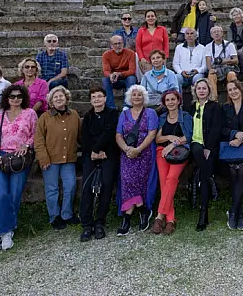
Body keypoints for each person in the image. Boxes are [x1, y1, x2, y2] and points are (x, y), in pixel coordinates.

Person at [0, 85, 37, 253]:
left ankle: (0, 234)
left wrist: (26, 144)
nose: (15, 99)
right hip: (1, 157)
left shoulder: (30, 113)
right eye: (12, 96)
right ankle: (2, 232)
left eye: (18, 96)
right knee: (0, 193)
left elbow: (35, 134)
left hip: (20, 158)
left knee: (15, 193)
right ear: (6, 98)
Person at [35, 86, 82, 230]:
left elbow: (80, 135)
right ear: (51, 101)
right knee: (52, 188)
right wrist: (43, 158)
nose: (58, 99)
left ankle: (67, 214)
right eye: (55, 97)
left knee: (70, 185)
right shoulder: (45, 117)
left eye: (61, 96)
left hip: (68, 158)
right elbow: (38, 140)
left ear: (66, 98)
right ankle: (54, 216)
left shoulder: (74, 115)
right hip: (50, 159)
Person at [115, 85, 159, 236]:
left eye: (139, 94)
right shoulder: (124, 114)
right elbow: (118, 135)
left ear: (144, 97)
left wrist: (138, 150)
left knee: (141, 182)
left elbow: (152, 134)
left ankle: (127, 218)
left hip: (145, 153)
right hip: (127, 154)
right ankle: (143, 210)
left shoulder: (151, 113)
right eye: (134, 94)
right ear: (130, 97)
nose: (137, 97)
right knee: (128, 180)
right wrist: (126, 149)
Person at [79, 86, 120, 241]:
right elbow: (85, 137)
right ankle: (87, 224)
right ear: (91, 100)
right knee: (87, 187)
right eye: (94, 97)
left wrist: (99, 150)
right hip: (91, 155)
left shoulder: (112, 114)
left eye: (99, 96)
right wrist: (93, 152)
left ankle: (100, 222)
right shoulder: (88, 117)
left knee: (107, 185)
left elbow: (110, 132)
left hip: (108, 153)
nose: (97, 99)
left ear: (104, 98)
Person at [152, 90, 192, 235]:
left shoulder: (185, 116)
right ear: (164, 102)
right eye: (167, 100)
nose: (170, 102)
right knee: (164, 183)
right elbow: (157, 139)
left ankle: (159, 217)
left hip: (179, 153)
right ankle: (170, 220)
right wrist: (169, 136)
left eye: (173, 99)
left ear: (178, 100)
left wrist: (172, 144)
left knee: (171, 179)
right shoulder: (162, 117)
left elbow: (189, 136)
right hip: (162, 152)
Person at [188, 79, 226, 231]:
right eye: (199, 88)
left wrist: (209, 147)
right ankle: (212, 180)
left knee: (204, 175)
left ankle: (203, 212)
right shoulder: (191, 107)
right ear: (195, 91)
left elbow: (217, 128)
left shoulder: (215, 107)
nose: (202, 91)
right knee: (197, 151)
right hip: (195, 143)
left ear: (209, 91)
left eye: (204, 88)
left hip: (211, 145)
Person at [223, 79, 243, 230]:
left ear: (240, 89)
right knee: (232, 172)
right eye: (230, 90)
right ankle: (239, 213)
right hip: (230, 148)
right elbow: (221, 129)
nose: (233, 92)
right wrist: (234, 134)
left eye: (235, 89)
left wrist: (242, 139)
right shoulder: (225, 108)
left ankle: (234, 211)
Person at [102, 35, 138, 109]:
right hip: (114, 80)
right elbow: (106, 71)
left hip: (126, 78)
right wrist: (111, 75)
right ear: (111, 46)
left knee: (132, 78)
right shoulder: (106, 55)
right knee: (105, 79)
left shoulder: (131, 53)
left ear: (123, 43)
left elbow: (132, 70)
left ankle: (127, 105)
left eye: (120, 43)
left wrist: (120, 74)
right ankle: (110, 107)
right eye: (115, 44)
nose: (118, 46)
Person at [204, 26, 239, 101]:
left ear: (222, 33)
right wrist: (210, 69)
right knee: (211, 75)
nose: (216, 34)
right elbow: (208, 61)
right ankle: (214, 100)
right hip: (216, 69)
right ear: (211, 35)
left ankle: (232, 99)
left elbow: (236, 60)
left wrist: (225, 61)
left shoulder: (230, 45)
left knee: (232, 75)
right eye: (214, 32)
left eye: (218, 31)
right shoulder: (208, 46)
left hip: (228, 68)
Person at [135, 10, 170, 74]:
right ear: (145, 19)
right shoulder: (141, 31)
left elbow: (166, 45)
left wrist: (165, 57)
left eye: (152, 16)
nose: (150, 18)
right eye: (148, 16)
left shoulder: (162, 30)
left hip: (159, 59)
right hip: (145, 61)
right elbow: (138, 46)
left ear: (156, 18)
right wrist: (141, 58)